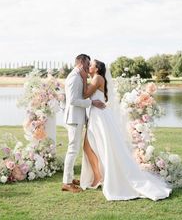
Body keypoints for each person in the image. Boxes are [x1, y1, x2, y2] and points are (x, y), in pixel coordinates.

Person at [79, 59, 172, 201]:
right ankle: (98, 175)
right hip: (96, 116)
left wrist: (83, 77)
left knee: (95, 146)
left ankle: (99, 176)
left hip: (99, 118)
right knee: (91, 146)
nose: (88, 66)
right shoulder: (96, 78)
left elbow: (85, 94)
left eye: (90, 65)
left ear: (97, 68)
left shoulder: (97, 78)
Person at [62, 54, 105, 193]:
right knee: (73, 150)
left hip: (78, 118)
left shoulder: (79, 76)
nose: (88, 67)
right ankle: (67, 183)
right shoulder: (74, 78)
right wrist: (92, 102)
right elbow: (73, 100)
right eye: (87, 64)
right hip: (74, 119)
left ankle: (70, 178)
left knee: (74, 150)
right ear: (81, 63)